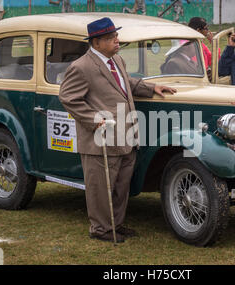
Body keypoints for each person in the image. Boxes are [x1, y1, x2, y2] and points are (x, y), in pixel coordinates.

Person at [59, 17, 176, 243]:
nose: (117, 41)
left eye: (116, 36)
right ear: (96, 42)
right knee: (101, 188)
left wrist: (152, 88)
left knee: (121, 186)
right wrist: (95, 120)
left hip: (126, 135)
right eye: (111, 38)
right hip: (101, 139)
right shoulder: (81, 67)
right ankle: (100, 229)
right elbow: (68, 98)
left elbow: (127, 84)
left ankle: (116, 225)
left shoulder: (117, 61)